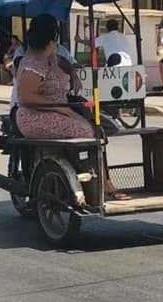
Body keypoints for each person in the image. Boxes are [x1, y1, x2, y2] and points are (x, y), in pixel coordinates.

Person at [15, 14, 128, 200]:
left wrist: (73, 74)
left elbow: (64, 62)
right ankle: (95, 183)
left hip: (58, 109)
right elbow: (27, 97)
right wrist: (59, 108)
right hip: (34, 116)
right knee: (86, 130)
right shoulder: (32, 63)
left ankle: (102, 179)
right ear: (50, 41)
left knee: (98, 127)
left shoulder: (51, 58)